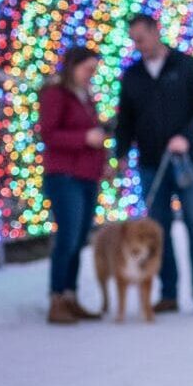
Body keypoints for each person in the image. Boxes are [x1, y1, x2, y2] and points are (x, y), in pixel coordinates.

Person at [114, 13, 193, 314]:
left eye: (141, 38)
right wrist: (119, 153)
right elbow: (125, 120)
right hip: (149, 164)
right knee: (157, 230)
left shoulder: (187, 66)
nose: (138, 45)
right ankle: (168, 293)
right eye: (133, 40)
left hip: (187, 163)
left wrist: (185, 135)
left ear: (156, 32)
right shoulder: (132, 76)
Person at [38, 45, 108, 325]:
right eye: (88, 69)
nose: (91, 75)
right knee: (67, 237)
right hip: (64, 176)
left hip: (87, 175)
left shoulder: (85, 96)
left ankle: (70, 296)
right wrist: (85, 138)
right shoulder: (56, 93)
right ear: (73, 66)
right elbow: (49, 134)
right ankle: (57, 299)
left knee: (79, 239)